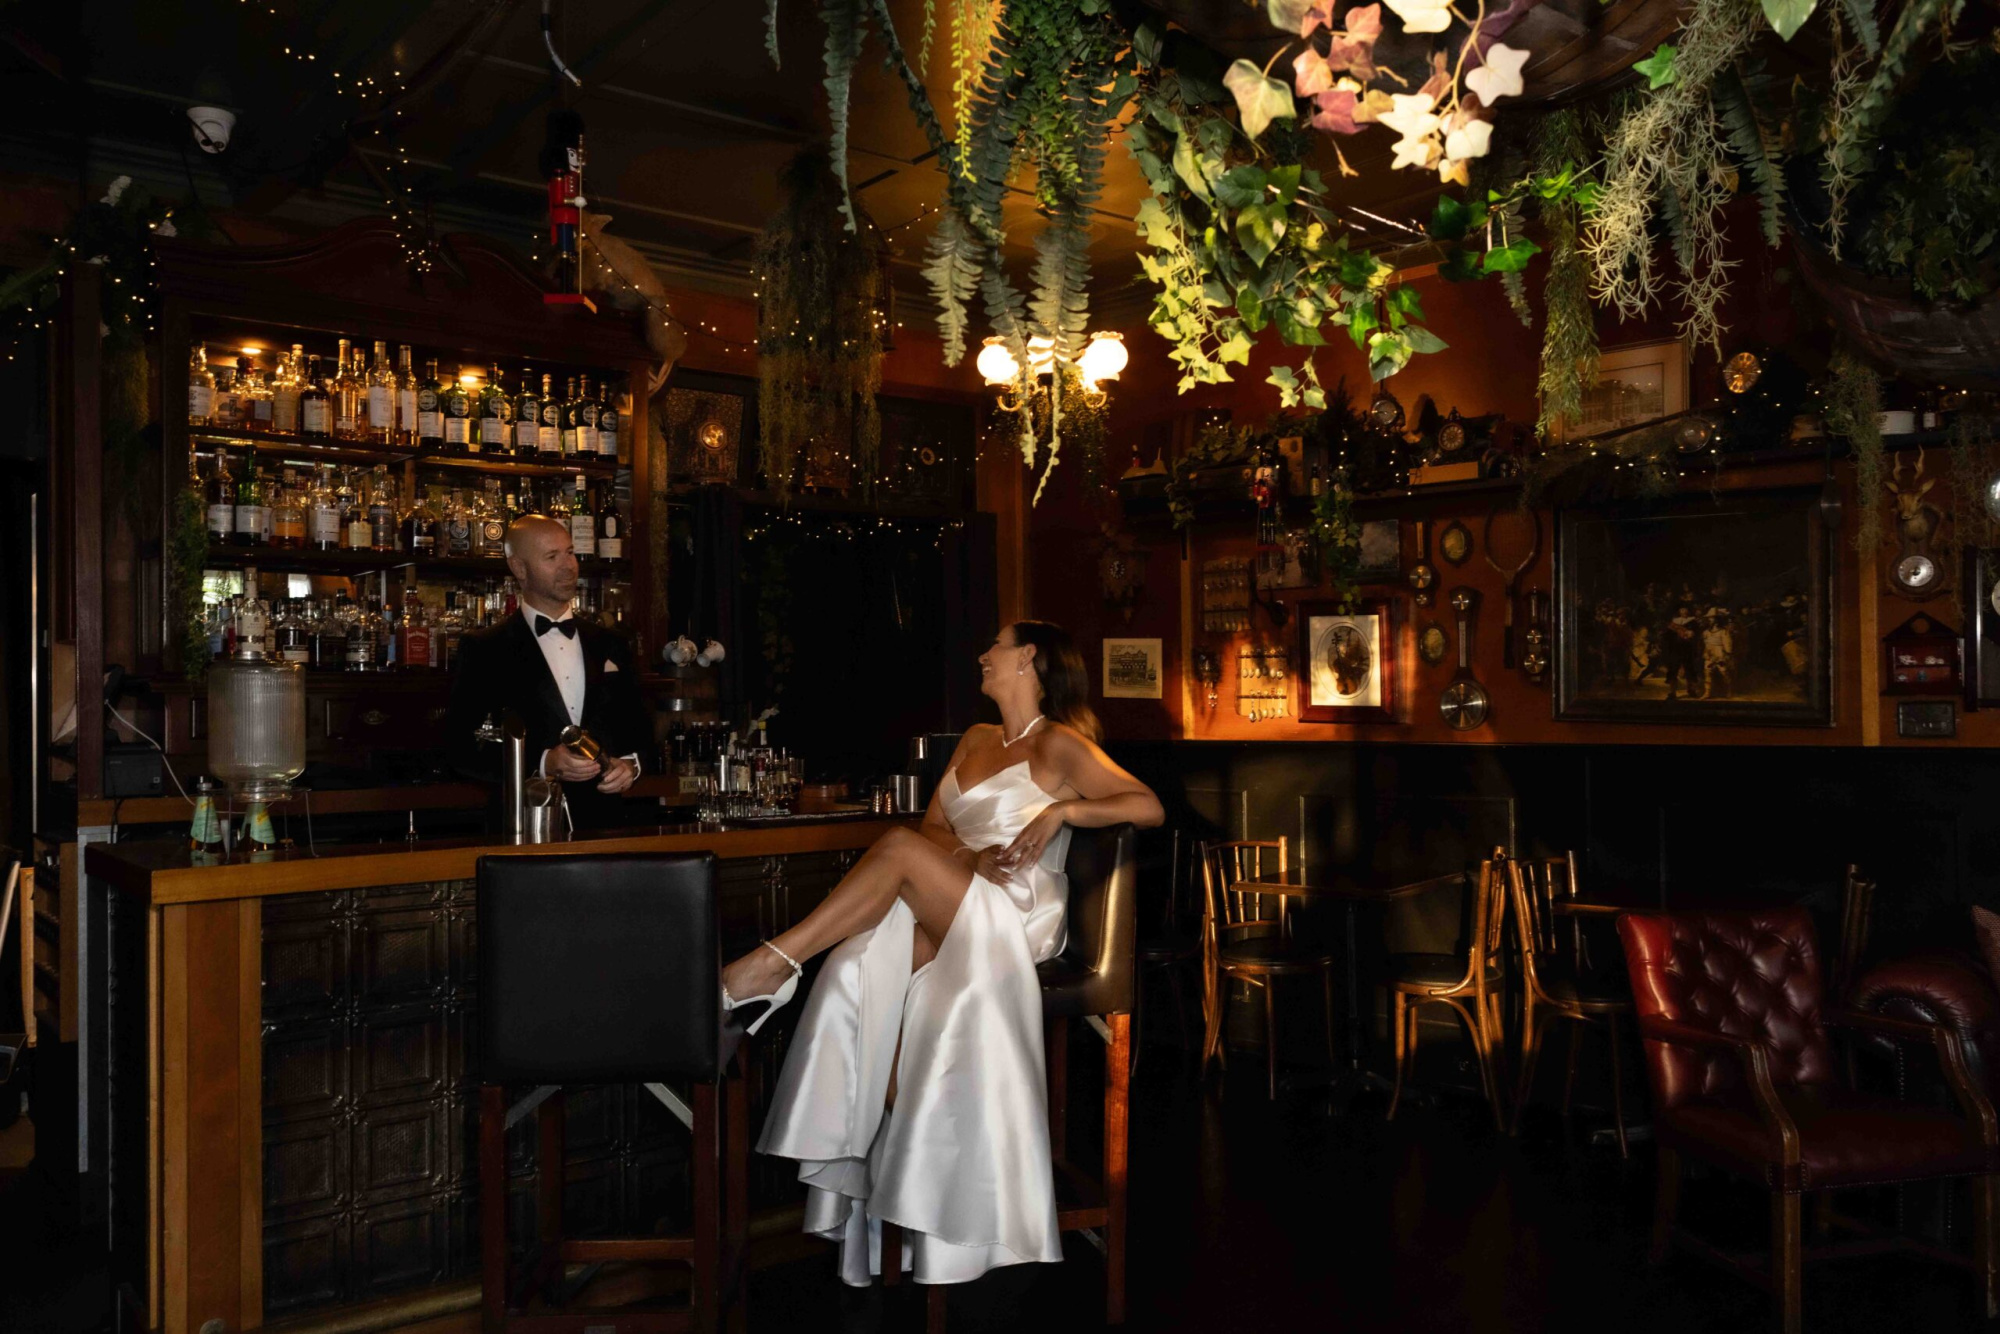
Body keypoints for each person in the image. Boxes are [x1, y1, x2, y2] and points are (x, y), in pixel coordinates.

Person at [724, 620, 1164, 1287]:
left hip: (1017, 913)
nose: (984, 655)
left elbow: (1149, 806)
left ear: (1030, 659)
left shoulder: (1061, 744)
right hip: (964, 891)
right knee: (857, 966)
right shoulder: (979, 741)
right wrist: (968, 856)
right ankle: (912, 1160)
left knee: (897, 852)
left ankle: (769, 965)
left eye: (997, 646)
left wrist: (1060, 816)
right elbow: (935, 826)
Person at [443, 514, 649, 831]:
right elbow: (460, 749)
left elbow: (641, 730)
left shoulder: (611, 643)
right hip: (523, 826)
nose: (569, 566)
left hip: (607, 826)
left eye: (570, 552)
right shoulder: (485, 648)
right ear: (519, 568)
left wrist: (631, 766)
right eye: (552, 557)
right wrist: (543, 763)